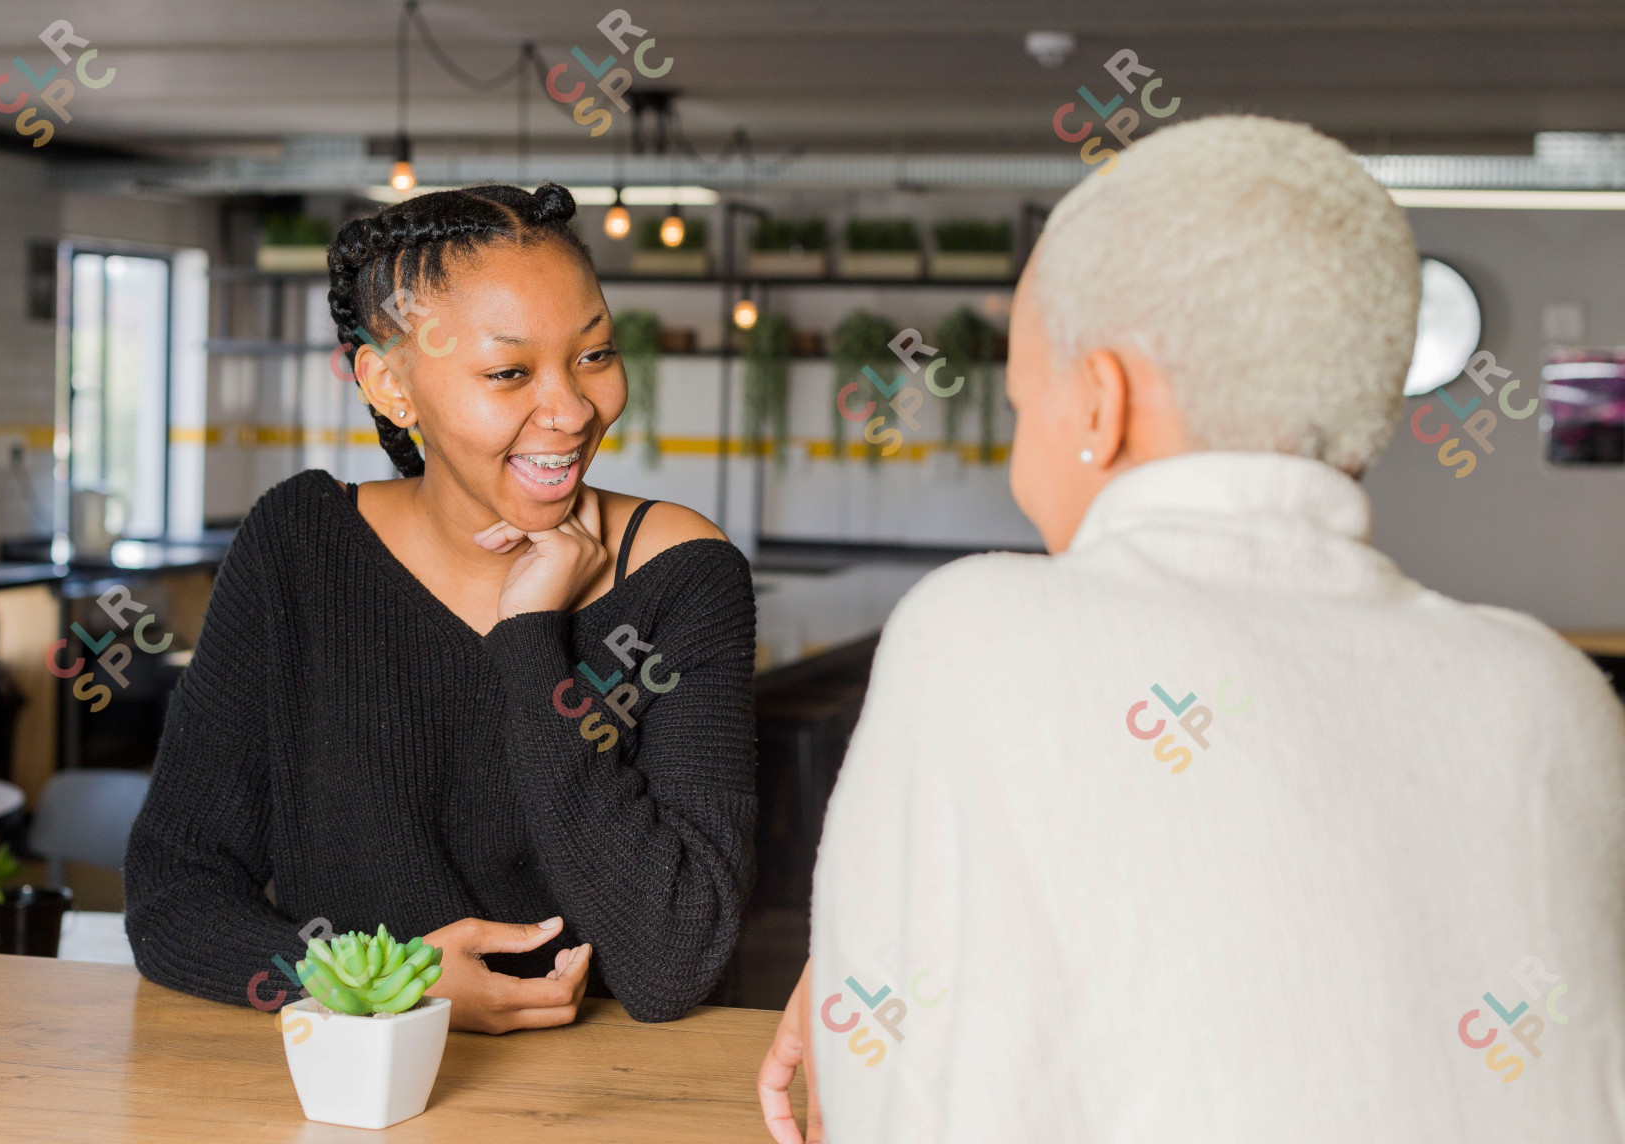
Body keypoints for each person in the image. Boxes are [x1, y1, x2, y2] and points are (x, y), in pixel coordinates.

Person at [759, 116, 1625, 1141]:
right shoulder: (1547, 691)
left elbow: (874, 1103)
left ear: (1100, 405)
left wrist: (882, 939)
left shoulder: (974, 632)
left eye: (1021, 401)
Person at [125, 182, 756, 1033]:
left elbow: (670, 960)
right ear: (389, 385)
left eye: (595, 355)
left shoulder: (683, 574)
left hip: (605, 1101)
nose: (571, 410)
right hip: (358, 1099)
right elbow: (175, 893)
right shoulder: (298, 548)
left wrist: (531, 641)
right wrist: (383, 991)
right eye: (508, 372)